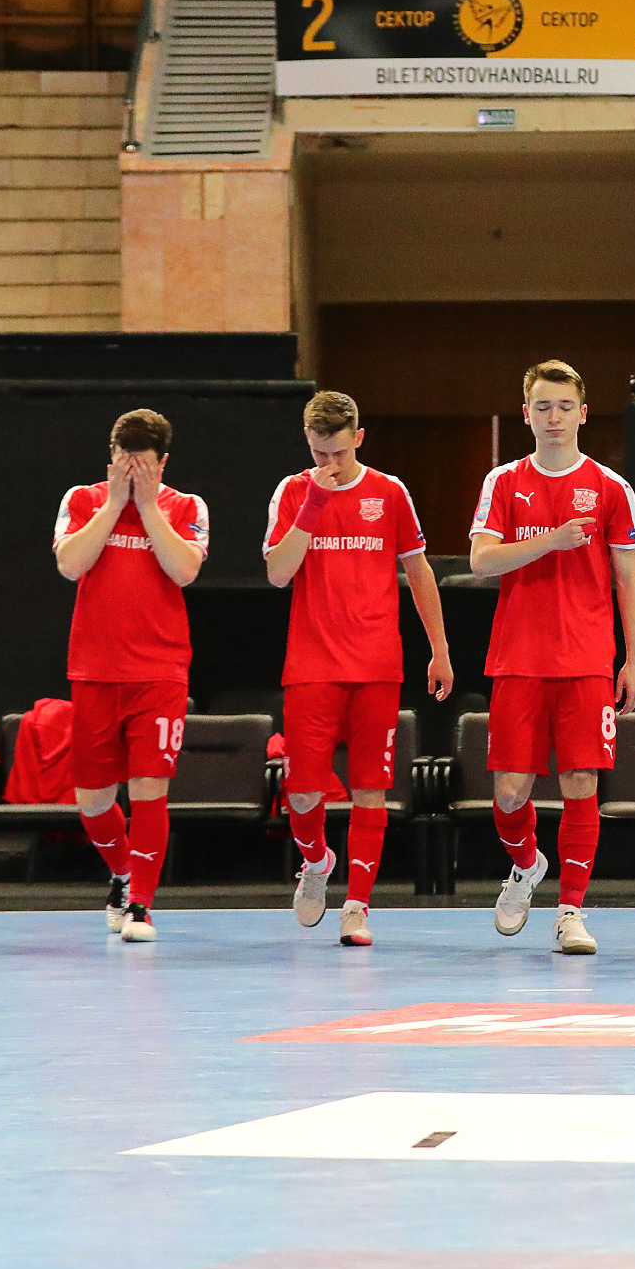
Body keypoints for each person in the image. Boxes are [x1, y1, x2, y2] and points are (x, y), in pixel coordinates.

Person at [262, 390, 453, 948]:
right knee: (302, 794)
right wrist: (314, 504)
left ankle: (357, 906)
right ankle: (317, 861)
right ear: (308, 442)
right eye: (320, 454)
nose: (330, 464)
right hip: (311, 667)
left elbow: (419, 571)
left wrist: (439, 648)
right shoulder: (293, 491)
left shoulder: (389, 492)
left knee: (371, 790)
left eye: (340, 453)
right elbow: (277, 573)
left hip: (376, 665)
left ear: (359, 439)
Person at [467, 360, 635, 958]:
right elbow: (481, 560)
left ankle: (571, 911)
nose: (554, 417)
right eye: (543, 407)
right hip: (517, 657)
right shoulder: (503, 482)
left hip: (587, 658)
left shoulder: (612, 487)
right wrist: (551, 539)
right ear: (526, 414)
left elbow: (628, 578)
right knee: (510, 793)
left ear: (583, 413)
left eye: (565, 406)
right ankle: (526, 865)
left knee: (581, 782)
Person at [51, 409, 207, 943]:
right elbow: (70, 564)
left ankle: (141, 904)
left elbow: (184, 570)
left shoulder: (186, 506)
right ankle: (122, 872)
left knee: (148, 790)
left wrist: (147, 506)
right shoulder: (82, 499)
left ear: (162, 464)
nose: (131, 472)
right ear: (111, 459)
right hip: (95, 670)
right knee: (93, 800)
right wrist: (116, 503)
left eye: (142, 465)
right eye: (123, 462)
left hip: (159, 671)